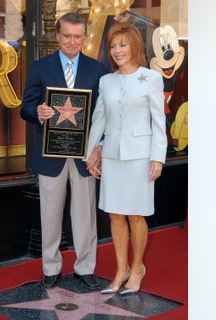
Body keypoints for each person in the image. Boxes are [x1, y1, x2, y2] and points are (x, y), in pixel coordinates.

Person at [20, 12, 108, 290]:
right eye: (67, 35)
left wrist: (100, 147)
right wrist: (38, 111)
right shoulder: (39, 67)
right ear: (58, 36)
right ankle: (51, 267)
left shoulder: (98, 69)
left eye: (78, 36)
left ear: (84, 37)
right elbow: (25, 107)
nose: (72, 41)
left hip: (84, 156)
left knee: (85, 215)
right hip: (50, 155)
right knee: (50, 212)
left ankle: (85, 267)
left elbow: (103, 114)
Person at [84, 22, 167, 295]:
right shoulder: (106, 81)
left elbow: (158, 121)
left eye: (123, 44)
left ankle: (137, 267)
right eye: (113, 46)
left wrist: (158, 158)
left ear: (134, 46)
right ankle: (120, 270)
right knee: (115, 215)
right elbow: (99, 118)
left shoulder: (151, 78)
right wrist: (91, 152)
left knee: (135, 215)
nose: (117, 51)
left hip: (141, 157)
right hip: (113, 157)